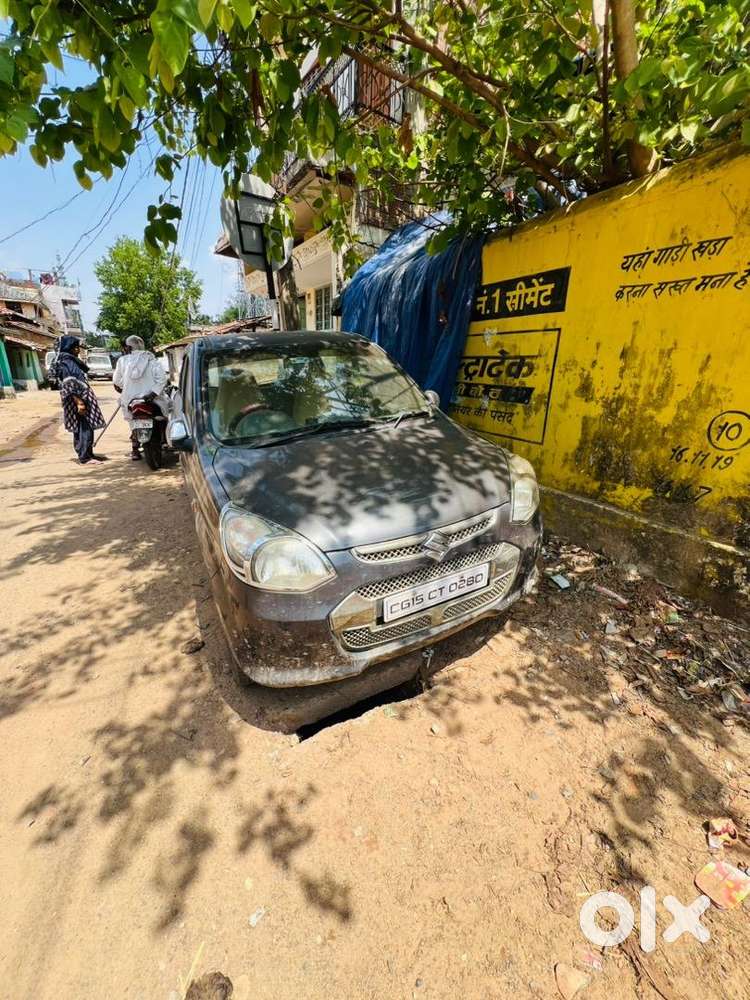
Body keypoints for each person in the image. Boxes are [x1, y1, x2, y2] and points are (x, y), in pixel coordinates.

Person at [113, 335, 170, 460]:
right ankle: (165, 441)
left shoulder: (122, 361)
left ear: (128, 347)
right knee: (165, 416)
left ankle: (135, 450)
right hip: (153, 399)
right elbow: (162, 379)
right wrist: (153, 394)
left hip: (130, 401)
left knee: (133, 423)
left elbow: (117, 381)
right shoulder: (151, 360)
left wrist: (127, 386)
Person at [54, 336, 108, 464]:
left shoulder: (68, 360)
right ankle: (85, 457)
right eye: (76, 347)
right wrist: (79, 402)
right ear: (69, 348)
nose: (78, 350)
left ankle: (88, 453)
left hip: (80, 398)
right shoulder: (67, 362)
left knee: (83, 426)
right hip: (78, 400)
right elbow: (70, 383)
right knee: (84, 427)